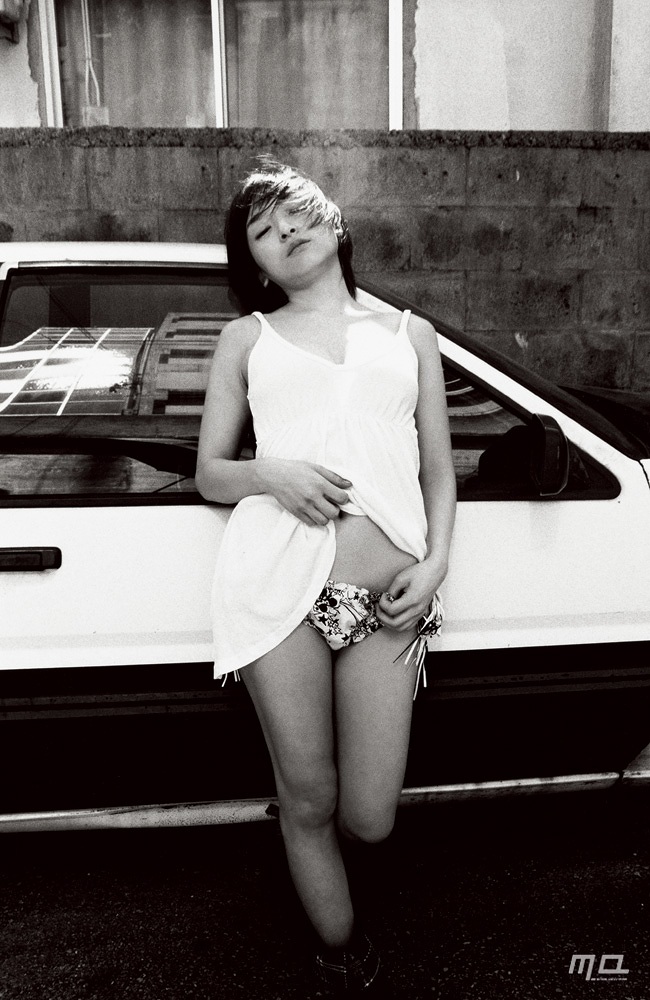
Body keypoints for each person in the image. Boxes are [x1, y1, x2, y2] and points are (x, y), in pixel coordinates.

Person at [196, 159, 456, 993]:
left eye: (296, 214)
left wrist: (436, 563)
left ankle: (311, 846)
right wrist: (271, 473)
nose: (284, 231)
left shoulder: (411, 334)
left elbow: (439, 472)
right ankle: (336, 943)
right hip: (278, 592)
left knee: (370, 817)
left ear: (334, 222)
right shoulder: (247, 339)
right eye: (262, 231)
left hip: (388, 599)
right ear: (255, 264)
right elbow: (210, 472)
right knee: (309, 797)